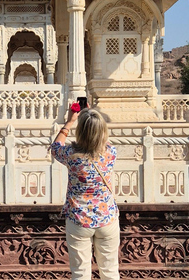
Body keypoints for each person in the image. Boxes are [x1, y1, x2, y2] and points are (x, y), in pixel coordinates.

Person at [51, 104, 120, 280]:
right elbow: (100, 140)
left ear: (80, 132)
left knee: (80, 273)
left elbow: (55, 147)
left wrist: (70, 121)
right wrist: (91, 115)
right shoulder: (110, 153)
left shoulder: (71, 155)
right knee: (110, 272)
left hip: (79, 220)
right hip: (107, 219)